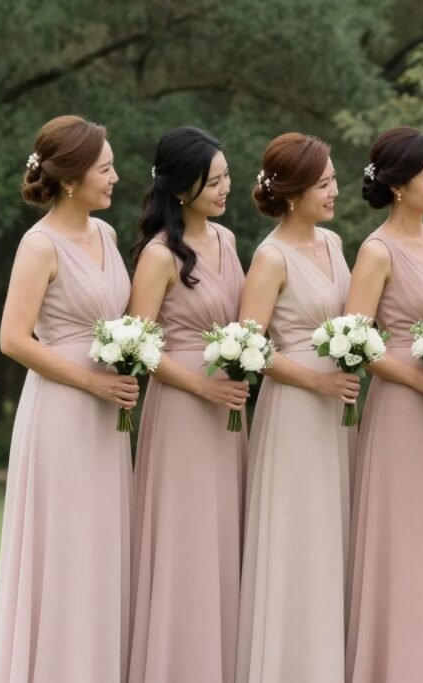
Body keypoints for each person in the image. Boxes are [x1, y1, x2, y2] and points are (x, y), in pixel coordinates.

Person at [0, 115, 134, 683]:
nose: (116, 177)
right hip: (62, 412)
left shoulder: (108, 235)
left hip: (108, 414)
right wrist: (91, 382)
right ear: (72, 179)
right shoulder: (39, 244)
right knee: (66, 545)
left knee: (100, 547)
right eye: (105, 168)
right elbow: (12, 339)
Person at [344, 127, 423, 683]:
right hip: (400, 408)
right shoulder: (376, 251)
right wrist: (418, 382)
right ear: (399, 186)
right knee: (404, 538)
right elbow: (353, 343)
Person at [127, 127, 247, 683]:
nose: (226, 188)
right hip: (181, 412)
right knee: (187, 540)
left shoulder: (225, 240)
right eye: (213, 180)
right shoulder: (158, 256)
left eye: (226, 177)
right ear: (181, 188)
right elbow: (138, 347)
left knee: (226, 538)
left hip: (230, 412)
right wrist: (202, 387)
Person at [236, 133, 356, 682]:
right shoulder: (270, 256)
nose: (335, 190)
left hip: (339, 410)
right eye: (325, 182)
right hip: (294, 410)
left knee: (333, 531)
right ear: (293, 192)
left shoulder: (332, 244)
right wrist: (317, 382)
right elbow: (249, 347)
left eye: (332, 179)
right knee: (298, 533)